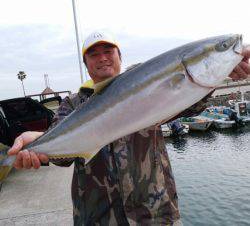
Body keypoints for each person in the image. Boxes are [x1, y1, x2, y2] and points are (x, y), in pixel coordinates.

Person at [8, 32, 250, 225]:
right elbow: (63, 155)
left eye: (108, 51)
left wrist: (221, 74)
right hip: (98, 218)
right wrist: (39, 144)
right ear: (85, 63)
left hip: (156, 215)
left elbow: (189, 106)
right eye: (93, 54)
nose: (102, 57)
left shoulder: (147, 86)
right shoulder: (73, 103)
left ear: (119, 56)